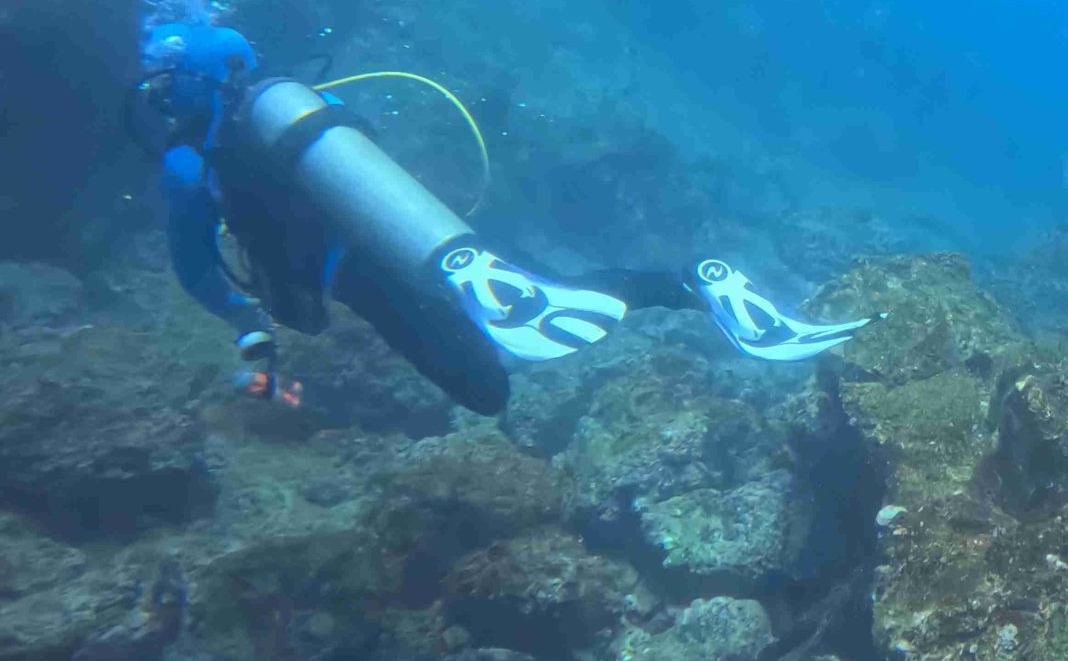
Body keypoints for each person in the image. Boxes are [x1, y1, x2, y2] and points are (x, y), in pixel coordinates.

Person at [129, 22, 867, 415]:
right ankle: (688, 283)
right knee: (538, 285)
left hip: (360, 272)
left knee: (486, 394)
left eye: (163, 91)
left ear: (184, 89)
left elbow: (197, 268)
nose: (158, 105)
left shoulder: (190, 164)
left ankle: (665, 287)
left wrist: (246, 323)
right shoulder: (295, 110)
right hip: (424, 223)